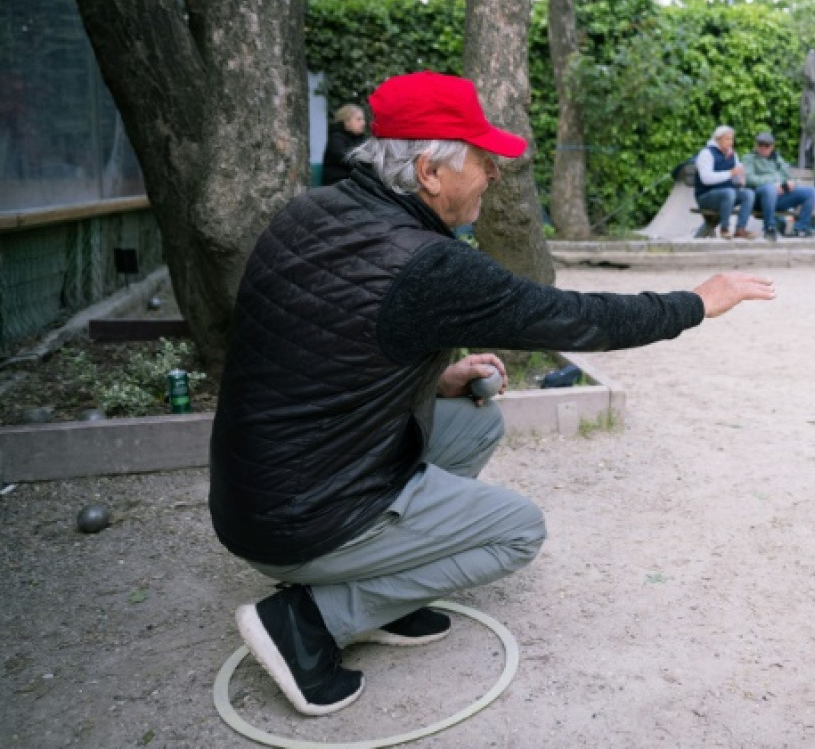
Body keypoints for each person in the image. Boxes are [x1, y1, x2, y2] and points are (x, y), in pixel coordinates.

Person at [210, 71, 776, 716]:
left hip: (257, 490)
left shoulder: (315, 209)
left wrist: (432, 375)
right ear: (429, 170)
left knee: (473, 421)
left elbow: (318, 346)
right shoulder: (427, 262)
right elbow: (579, 318)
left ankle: (378, 586)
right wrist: (695, 303)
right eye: (482, 160)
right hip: (300, 515)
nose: (494, 175)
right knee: (516, 532)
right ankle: (309, 621)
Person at [741, 131, 815, 241]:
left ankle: (800, 229)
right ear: (756, 145)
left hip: (780, 197)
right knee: (769, 189)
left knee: (811, 192)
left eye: (766, 145)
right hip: (760, 198)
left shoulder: (777, 159)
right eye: (760, 144)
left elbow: (789, 177)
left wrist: (790, 184)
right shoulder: (749, 158)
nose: (763, 148)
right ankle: (770, 227)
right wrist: (773, 184)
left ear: (772, 147)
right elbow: (749, 179)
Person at [693, 125, 756, 239]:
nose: (730, 142)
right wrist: (730, 173)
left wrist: (740, 178)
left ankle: (740, 229)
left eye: (731, 139)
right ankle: (724, 228)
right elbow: (706, 179)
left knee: (748, 193)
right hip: (706, 196)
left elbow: (735, 178)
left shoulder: (733, 155)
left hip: (727, 195)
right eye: (727, 139)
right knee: (729, 192)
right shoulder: (706, 153)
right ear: (718, 139)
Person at [321, 103, 369, 185]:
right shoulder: (336, 139)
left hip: (353, 183)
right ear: (347, 122)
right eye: (358, 119)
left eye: (363, 119)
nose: (363, 123)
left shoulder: (361, 139)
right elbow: (347, 160)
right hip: (338, 184)